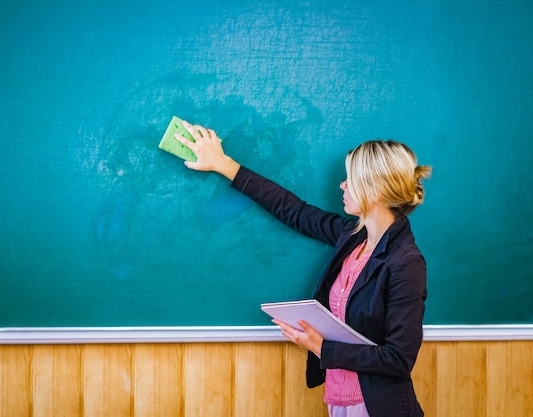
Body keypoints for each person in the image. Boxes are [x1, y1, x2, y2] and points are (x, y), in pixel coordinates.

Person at [174, 120, 431, 417]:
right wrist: (224, 164)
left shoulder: (405, 262)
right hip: (339, 400)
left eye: (350, 179)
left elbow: (398, 359)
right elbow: (294, 210)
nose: (342, 185)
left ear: (374, 191)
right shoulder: (352, 237)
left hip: (378, 407)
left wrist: (323, 348)